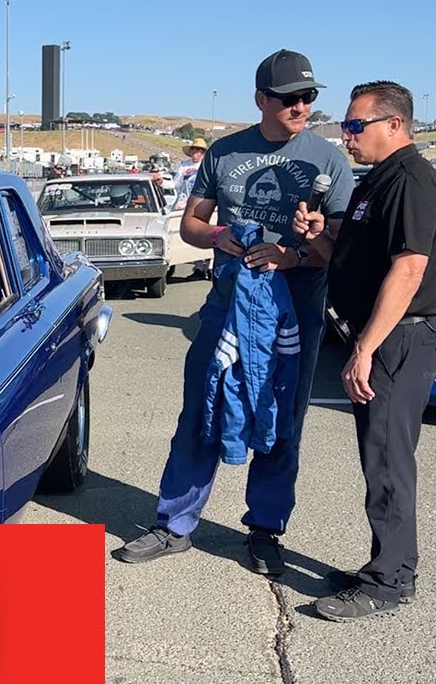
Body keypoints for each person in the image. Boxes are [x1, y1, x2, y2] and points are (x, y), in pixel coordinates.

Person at [111, 50, 355, 575]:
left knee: (281, 418)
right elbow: (191, 227)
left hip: (296, 315)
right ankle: (174, 524)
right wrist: (224, 236)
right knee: (201, 408)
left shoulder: (328, 160)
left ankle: (266, 529)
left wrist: (297, 252)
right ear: (262, 99)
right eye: (290, 98)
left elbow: (340, 247)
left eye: (309, 97)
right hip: (226, 305)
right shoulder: (224, 153)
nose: (302, 107)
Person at [292, 81, 436, 622]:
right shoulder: (374, 183)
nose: (346, 134)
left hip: (400, 337)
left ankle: (390, 581)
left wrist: (365, 348)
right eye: (346, 125)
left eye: (356, 125)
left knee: (387, 459)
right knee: (377, 456)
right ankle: (385, 562)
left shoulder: (411, 181)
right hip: (382, 334)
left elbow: (409, 270)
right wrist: (316, 235)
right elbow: (349, 261)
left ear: (394, 125)